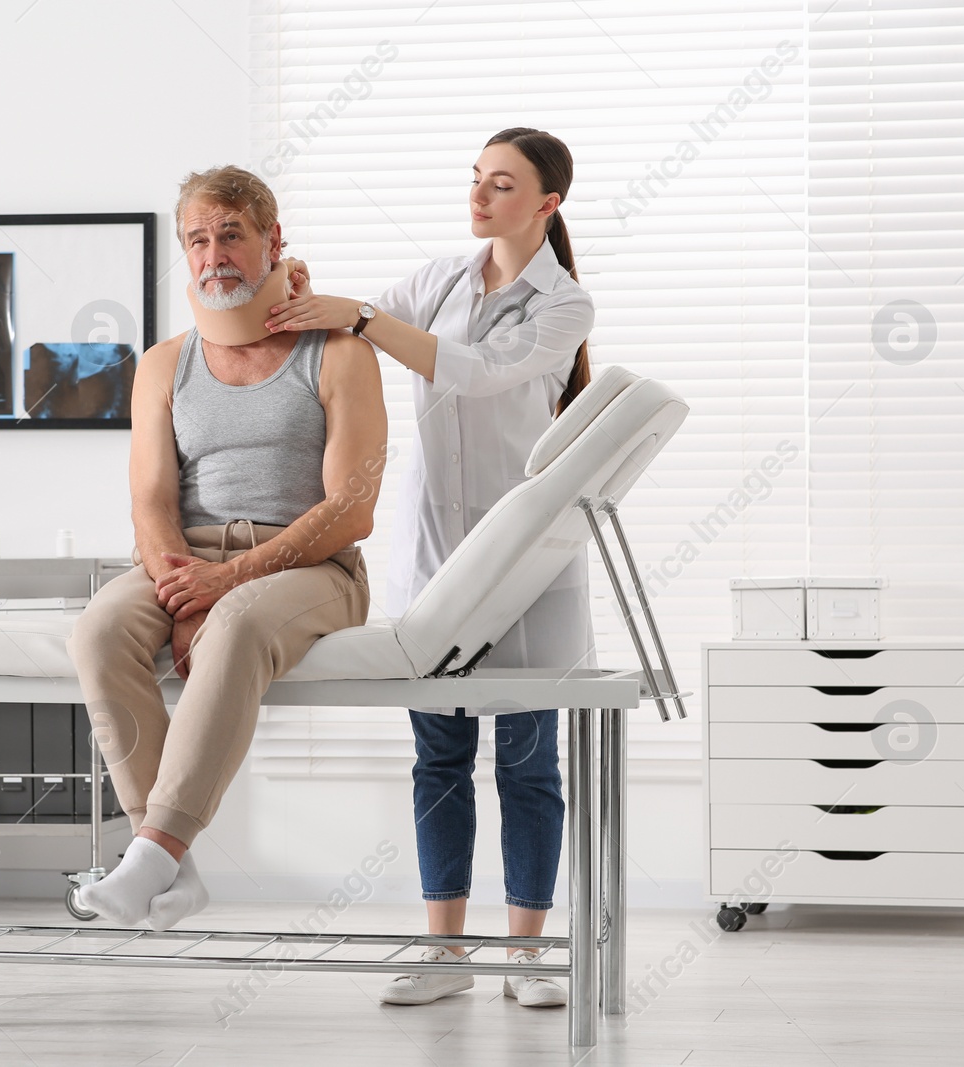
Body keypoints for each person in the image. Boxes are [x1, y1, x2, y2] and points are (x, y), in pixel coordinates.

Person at [265, 128, 596, 1008]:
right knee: (439, 756)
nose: (480, 196)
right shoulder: (437, 279)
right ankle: (444, 953)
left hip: (523, 564)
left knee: (528, 765)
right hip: (435, 556)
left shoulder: (566, 308)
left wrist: (364, 316)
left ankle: (524, 958)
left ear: (547, 203)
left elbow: (480, 373)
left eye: (502, 184)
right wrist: (300, 291)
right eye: (476, 180)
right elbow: (351, 335)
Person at [68, 164, 387, 931]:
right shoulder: (161, 363)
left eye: (233, 235)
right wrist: (183, 584)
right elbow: (150, 498)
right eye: (198, 239)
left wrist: (230, 582)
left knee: (239, 623)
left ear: (274, 241)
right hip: (188, 556)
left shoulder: (338, 352)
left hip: (311, 562)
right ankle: (170, 865)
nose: (214, 254)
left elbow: (352, 509)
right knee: (100, 629)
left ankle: (149, 857)